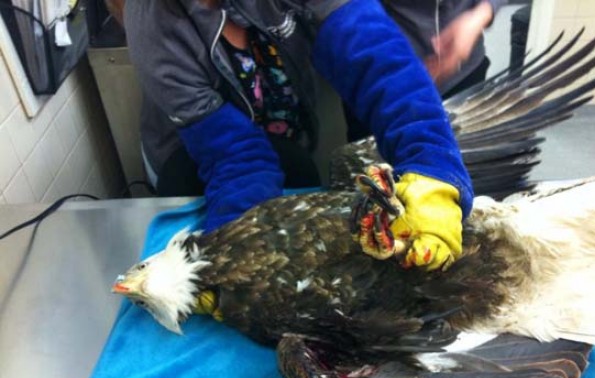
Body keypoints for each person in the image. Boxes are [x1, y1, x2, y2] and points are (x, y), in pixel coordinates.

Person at [116, 0, 473, 271]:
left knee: (298, 173)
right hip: (193, 159)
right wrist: (231, 255)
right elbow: (233, 156)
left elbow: (377, 61)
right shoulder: (153, 26)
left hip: (287, 134)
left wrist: (433, 165)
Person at [344, 0, 506, 142]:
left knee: (465, 165)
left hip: (464, 77)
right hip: (382, 83)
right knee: (377, 170)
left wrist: (479, 16)